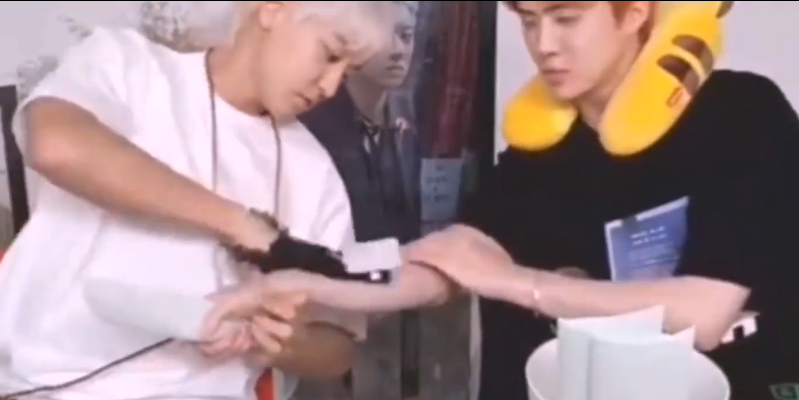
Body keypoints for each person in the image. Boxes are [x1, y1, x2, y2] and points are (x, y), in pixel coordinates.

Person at [0, 2, 452, 400]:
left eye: (348, 72)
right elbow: (55, 146)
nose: (331, 86)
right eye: (330, 54)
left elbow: (338, 346)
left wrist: (285, 342)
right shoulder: (128, 67)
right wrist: (242, 225)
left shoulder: (315, 173)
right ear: (274, 7)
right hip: (45, 385)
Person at [399, 1, 799, 400]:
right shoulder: (535, 154)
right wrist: (369, 281)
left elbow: (704, 313)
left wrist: (524, 284)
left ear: (635, 13)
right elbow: (462, 253)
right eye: (529, 22)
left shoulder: (743, 113)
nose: (543, 44)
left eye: (567, 19)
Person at [300, 0, 421, 246]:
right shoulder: (312, 123)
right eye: (384, 37)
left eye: (406, 36)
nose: (398, 50)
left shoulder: (406, 120)